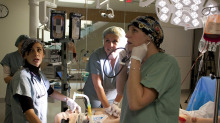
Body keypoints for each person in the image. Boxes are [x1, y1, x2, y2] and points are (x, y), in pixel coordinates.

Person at [119, 16, 181, 123]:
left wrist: (135, 60)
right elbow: (120, 91)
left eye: (134, 30)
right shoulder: (141, 64)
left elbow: (136, 103)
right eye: (129, 30)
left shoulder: (166, 63)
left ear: (149, 37)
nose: (127, 35)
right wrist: (123, 63)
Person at [7, 38, 81, 123]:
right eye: (31, 51)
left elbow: (50, 92)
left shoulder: (39, 74)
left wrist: (68, 100)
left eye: (39, 50)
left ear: (43, 54)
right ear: (24, 55)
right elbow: (28, 113)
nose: (36, 54)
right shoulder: (22, 77)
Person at [83, 26, 127, 117]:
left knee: (110, 117)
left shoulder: (125, 57)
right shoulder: (96, 55)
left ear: (122, 43)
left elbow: (124, 85)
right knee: (95, 117)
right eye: (107, 40)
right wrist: (107, 108)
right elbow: (98, 85)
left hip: (113, 95)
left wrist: (115, 104)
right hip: (93, 94)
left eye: (115, 41)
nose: (110, 45)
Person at [0, 34, 29, 123]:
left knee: (25, 118)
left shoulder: (30, 57)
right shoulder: (9, 57)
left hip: (27, 92)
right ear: (17, 45)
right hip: (12, 93)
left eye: (26, 45)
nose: (23, 48)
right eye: (21, 45)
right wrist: (20, 78)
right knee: (10, 118)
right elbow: (6, 78)